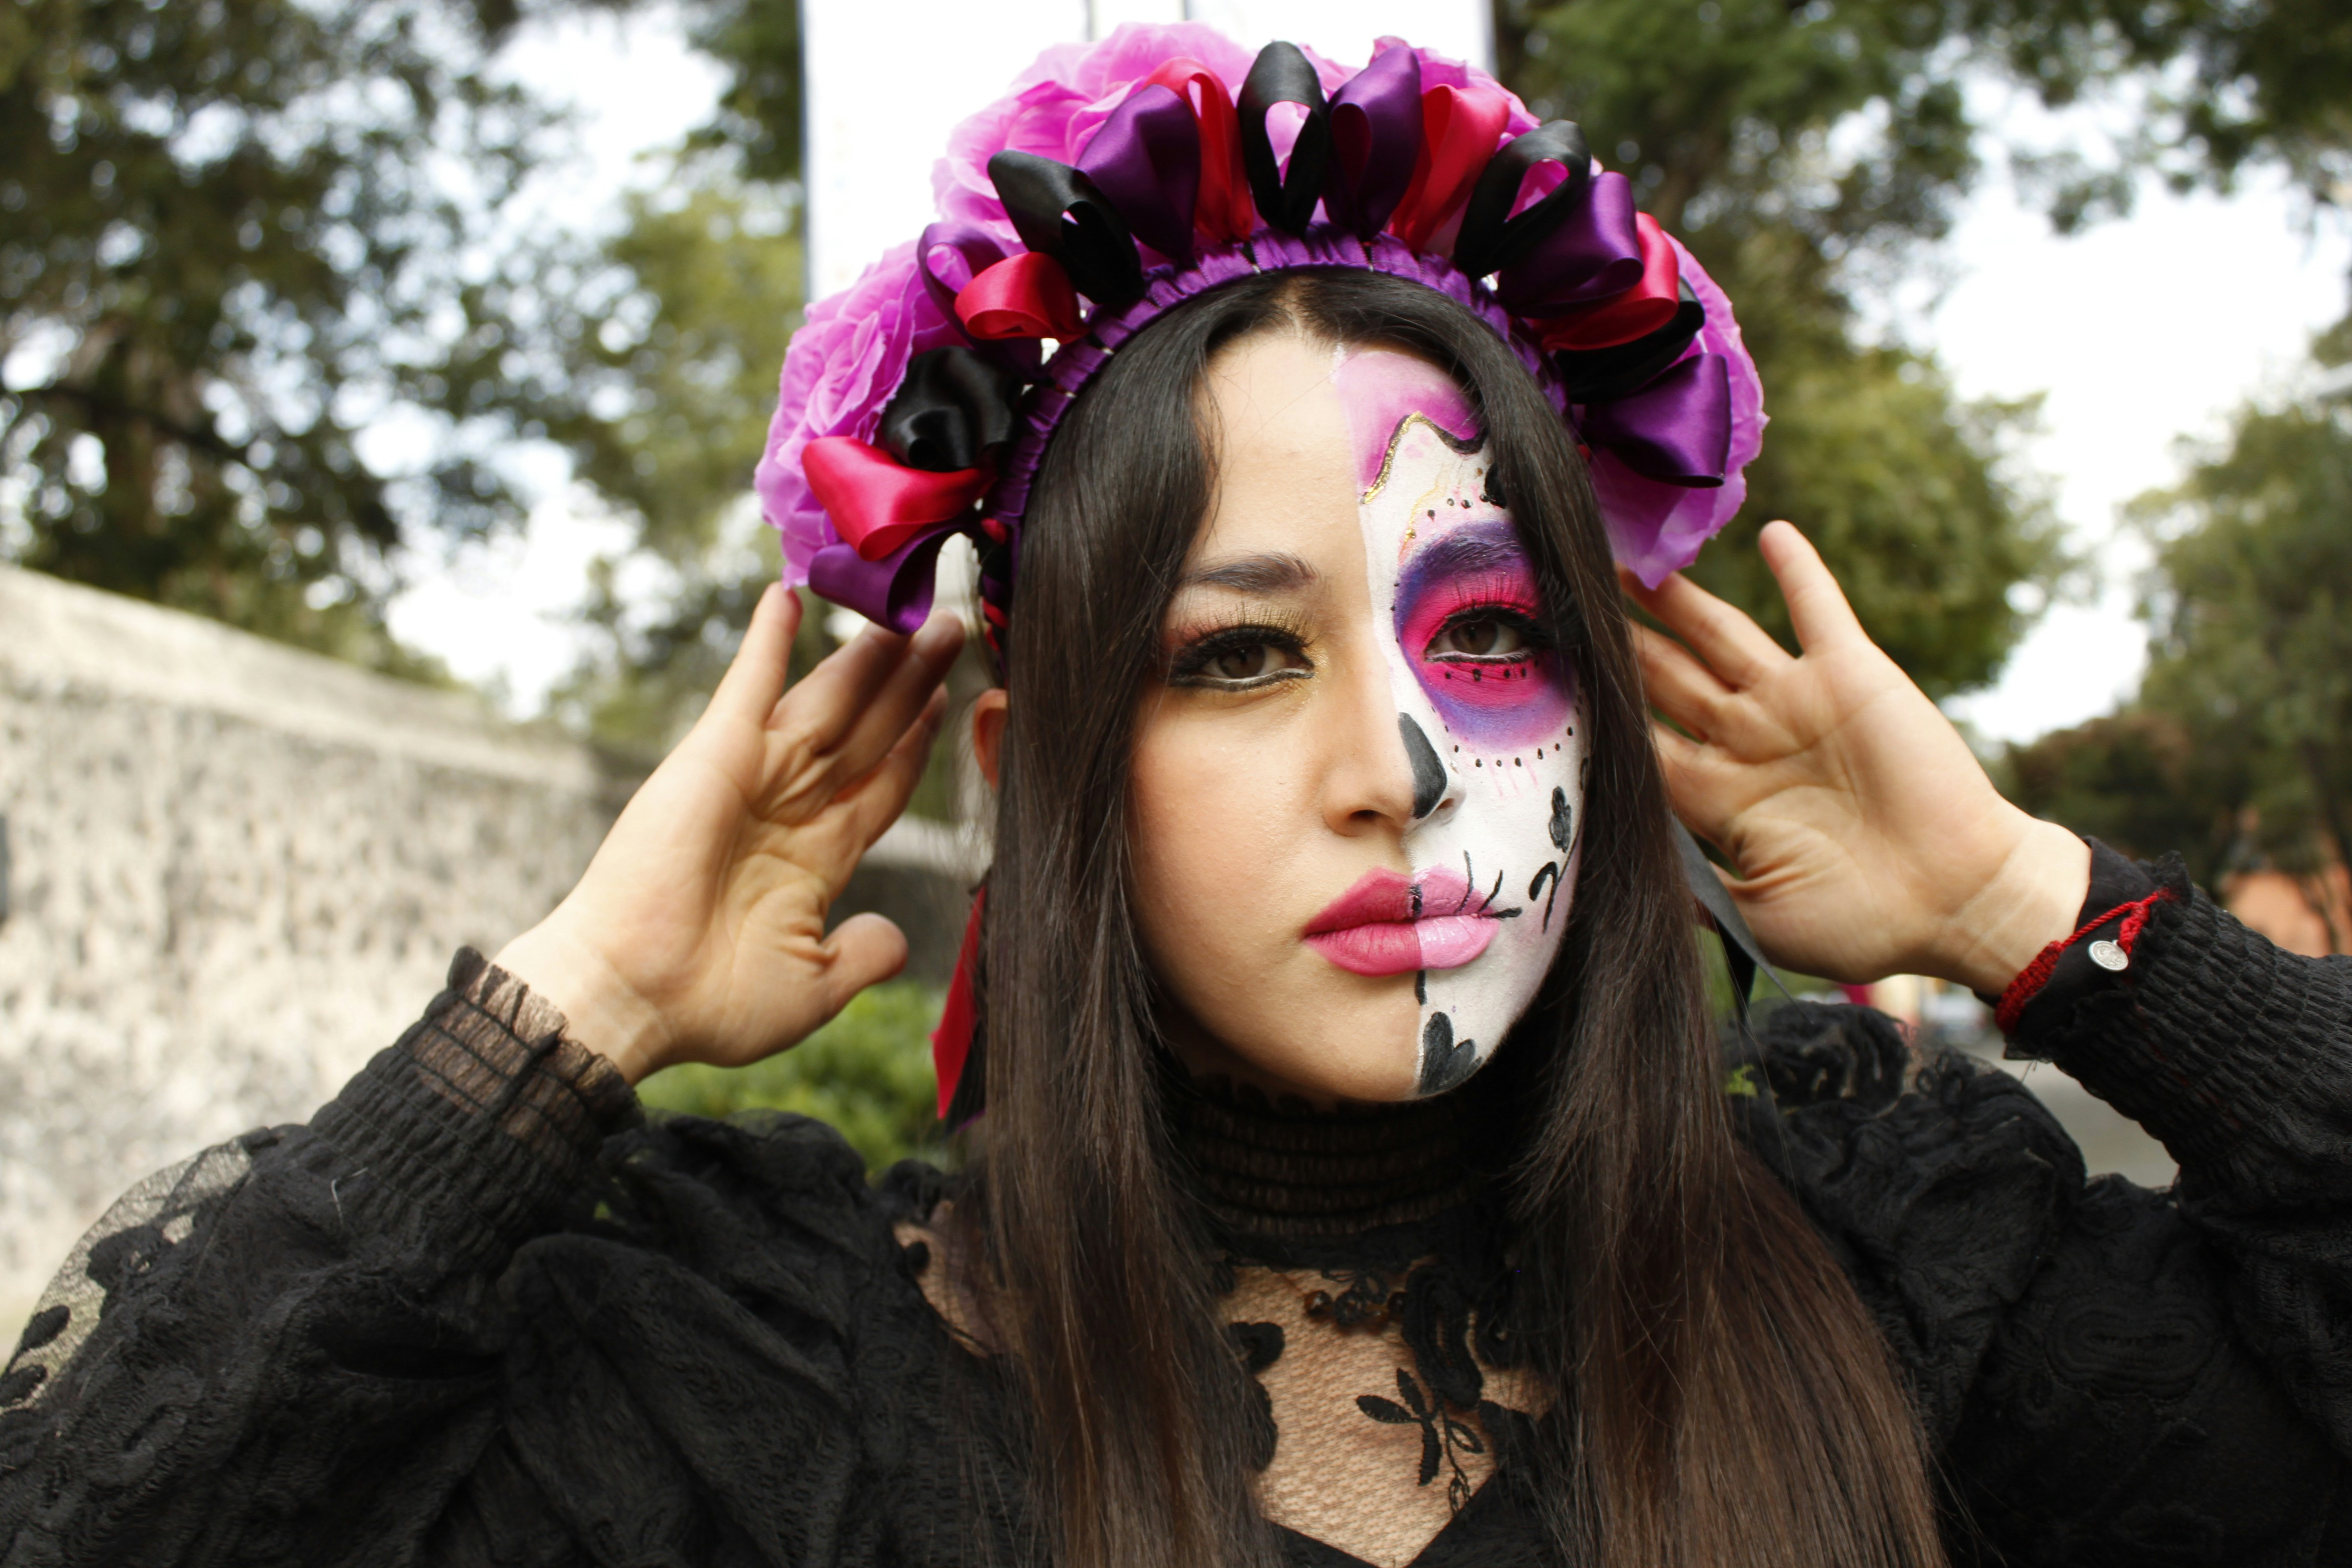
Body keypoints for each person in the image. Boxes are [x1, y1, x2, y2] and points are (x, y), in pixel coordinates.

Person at [3, 24, 2348, 1568]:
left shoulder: (1900, 1267)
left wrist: (2037, 908)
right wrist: (571, 1009)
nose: (1393, 773)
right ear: (1036, 777)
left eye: (1487, 642)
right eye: (1237, 656)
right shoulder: (761, 1371)